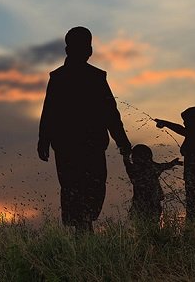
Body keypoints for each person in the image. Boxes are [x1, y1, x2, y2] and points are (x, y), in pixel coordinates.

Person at [37, 26, 132, 232]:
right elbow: (49, 112)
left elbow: (110, 113)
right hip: (74, 145)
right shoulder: (62, 78)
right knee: (77, 188)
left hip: (83, 144)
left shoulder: (93, 77)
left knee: (85, 188)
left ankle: (83, 227)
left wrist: (122, 140)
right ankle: (83, 229)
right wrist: (43, 140)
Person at [155, 106, 195, 221]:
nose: (184, 123)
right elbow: (183, 130)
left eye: (186, 120)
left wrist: (165, 123)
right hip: (194, 178)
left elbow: (182, 130)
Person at [123, 144, 181, 225]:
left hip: (139, 204)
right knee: (153, 224)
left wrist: (125, 152)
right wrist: (173, 163)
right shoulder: (152, 167)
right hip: (153, 203)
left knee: (140, 226)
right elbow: (164, 166)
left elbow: (126, 161)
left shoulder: (133, 170)